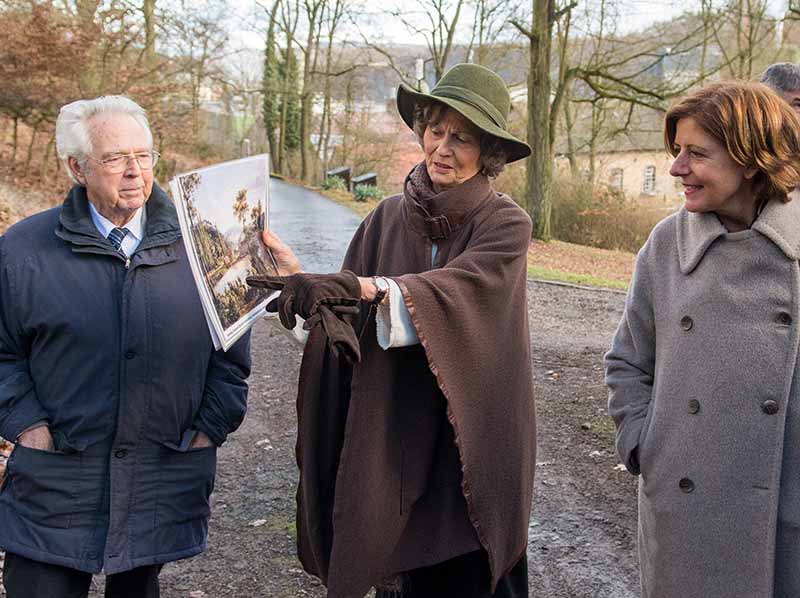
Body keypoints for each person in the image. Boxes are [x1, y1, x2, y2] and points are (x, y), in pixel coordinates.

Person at [248, 63, 536, 598]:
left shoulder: (504, 224)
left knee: (465, 573)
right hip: (392, 431)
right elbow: (344, 322)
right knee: (396, 566)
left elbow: (460, 292)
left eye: (463, 138)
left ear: (489, 151)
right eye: (435, 130)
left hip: (466, 439)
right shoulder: (384, 217)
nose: (443, 148)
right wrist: (300, 284)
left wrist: (367, 289)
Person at [0, 96, 251, 598]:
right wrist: (29, 428)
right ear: (78, 167)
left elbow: (230, 358)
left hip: (162, 472)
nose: (135, 171)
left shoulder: (205, 242)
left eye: (145, 155)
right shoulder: (24, 248)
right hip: (57, 478)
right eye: (115, 159)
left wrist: (208, 428)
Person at [605, 81, 800, 598]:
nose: (676, 168)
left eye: (696, 154)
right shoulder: (667, 243)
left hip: (784, 518)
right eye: (676, 152)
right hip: (682, 510)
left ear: (752, 160)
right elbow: (627, 362)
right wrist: (644, 445)